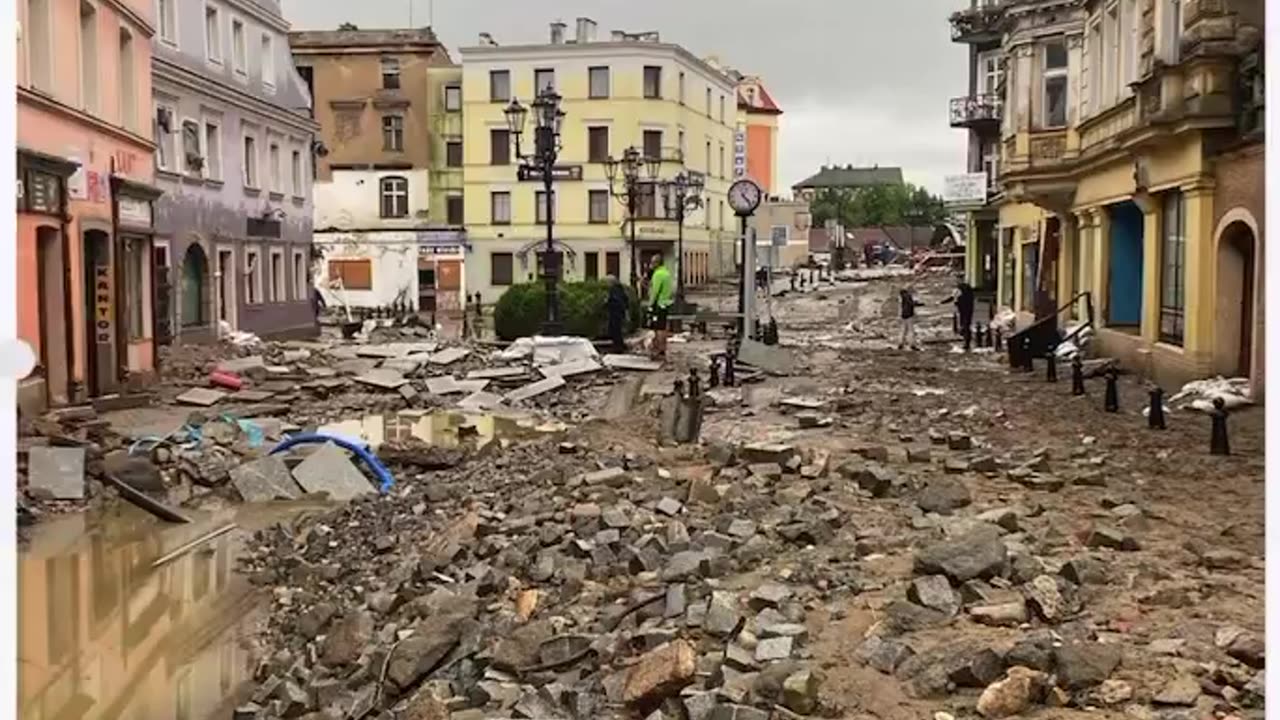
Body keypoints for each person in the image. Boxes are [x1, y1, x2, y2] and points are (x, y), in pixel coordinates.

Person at [647, 253, 675, 361]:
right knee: (663, 328)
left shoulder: (658, 274)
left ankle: (658, 350)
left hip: (658, 305)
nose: (651, 264)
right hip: (666, 303)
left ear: (657, 263)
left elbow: (655, 291)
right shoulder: (667, 273)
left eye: (652, 262)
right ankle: (663, 349)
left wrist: (650, 304)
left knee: (658, 328)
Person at [604, 274, 629, 354]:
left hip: (616, 312)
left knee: (615, 330)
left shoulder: (614, 290)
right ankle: (619, 345)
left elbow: (616, 301)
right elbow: (625, 299)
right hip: (619, 312)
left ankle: (617, 347)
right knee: (617, 330)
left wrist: (607, 303)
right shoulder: (620, 288)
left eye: (607, 282)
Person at [950, 276, 976, 350]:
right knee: (967, 324)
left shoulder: (958, 289)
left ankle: (966, 342)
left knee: (964, 325)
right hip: (969, 309)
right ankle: (967, 341)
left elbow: (952, 298)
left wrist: (941, 302)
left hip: (962, 310)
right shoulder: (969, 288)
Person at [898, 285, 919, 350]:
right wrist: (918, 304)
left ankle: (900, 343)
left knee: (903, 330)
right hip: (909, 314)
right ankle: (912, 344)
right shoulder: (908, 296)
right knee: (911, 330)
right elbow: (911, 304)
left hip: (903, 314)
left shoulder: (902, 297)